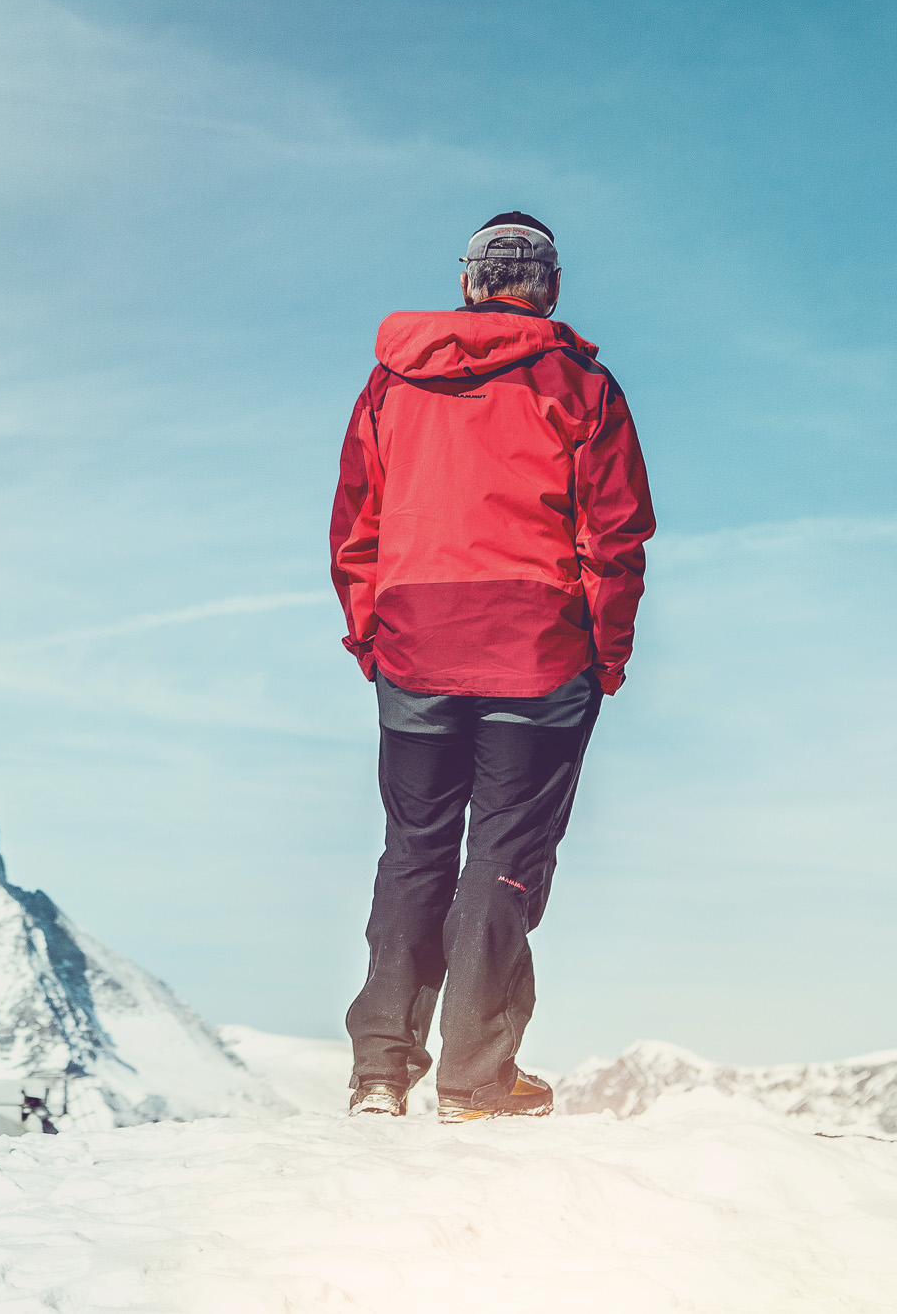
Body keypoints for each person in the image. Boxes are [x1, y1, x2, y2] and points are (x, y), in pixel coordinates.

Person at [329, 212, 655, 1121]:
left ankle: (381, 1075)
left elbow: (357, 518)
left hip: (415, 642)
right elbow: (615, 532)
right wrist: (608, 653)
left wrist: (372, 634)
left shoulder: (391, 385)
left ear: (471, 282)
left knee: (414, 850)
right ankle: (476, 1079)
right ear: (547, 287)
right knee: (505, 851)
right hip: (538, 647)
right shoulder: (577, 383)